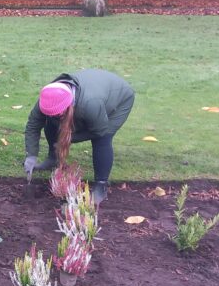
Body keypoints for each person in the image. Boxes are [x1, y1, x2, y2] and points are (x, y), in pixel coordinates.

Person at [23, 69, 135, 203]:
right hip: (94, 91)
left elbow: (99, 130)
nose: (55, 115)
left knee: (103, 139)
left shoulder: (90, 104)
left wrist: (68, 138)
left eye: (58, 113)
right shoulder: (49, 97)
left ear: (69, 104)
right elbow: (33, 125)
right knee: (52, 122)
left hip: (119, 98)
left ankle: (101, 184)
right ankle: (53, 159)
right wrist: (31, 155)